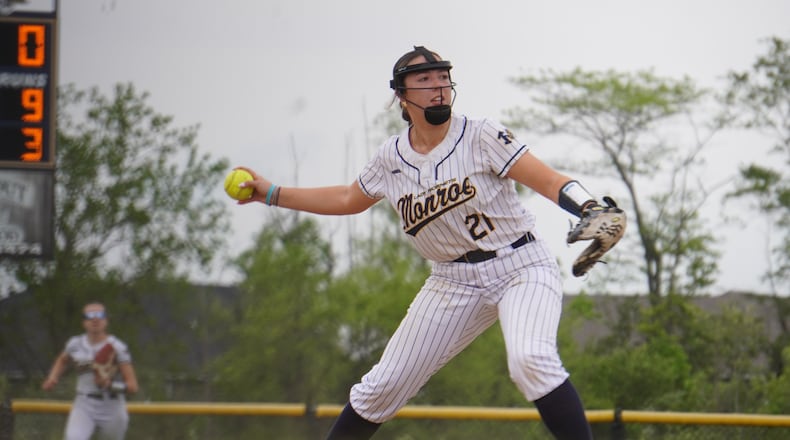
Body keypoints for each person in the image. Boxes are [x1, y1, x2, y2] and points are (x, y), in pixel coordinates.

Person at [236, 45, 596, 440]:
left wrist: (590, 207)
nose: (438, 87)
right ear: (401, 96)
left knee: (531, 360)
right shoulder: (391, 158)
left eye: (443, 77)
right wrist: (271, 193)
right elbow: (346, 199)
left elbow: (547, 180)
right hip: (451, 282)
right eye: (424, 80)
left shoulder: (481, 134)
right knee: (381, 387)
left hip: (521, 266)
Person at [42, 302, 139, 440]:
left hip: (111, 405)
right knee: (73, 437)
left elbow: (133, 387)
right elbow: (62, 359)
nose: (95, 319)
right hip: (84, 403)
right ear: (84, 322)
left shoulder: (117, 347)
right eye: (90, 316)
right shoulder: (75, 344)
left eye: (100, 315)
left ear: (106, 320)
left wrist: (109, 385)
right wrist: (53, 377)